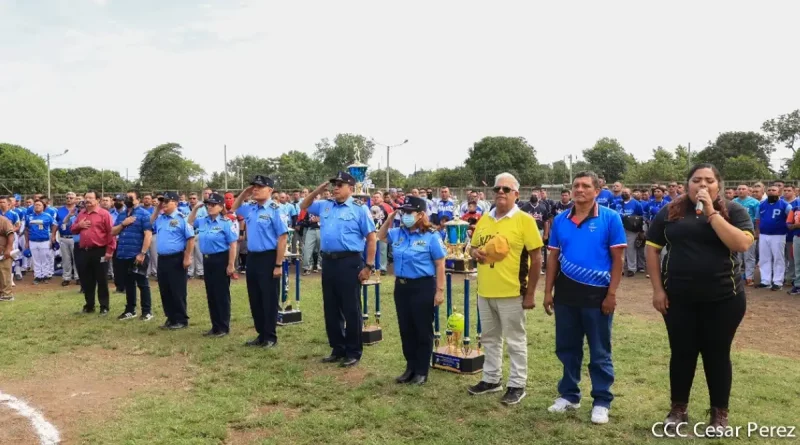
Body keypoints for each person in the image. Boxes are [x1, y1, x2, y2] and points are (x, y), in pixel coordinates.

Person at [645, 163, 753, 430]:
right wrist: (658, 290)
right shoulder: (670, 211)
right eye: (696, 180)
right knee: (682, 354)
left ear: (718, 185)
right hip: (678, 300)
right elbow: (652, 249)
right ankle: (678, 410)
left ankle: (719, 415)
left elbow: (741, 244)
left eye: (708, 181)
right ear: (687, 184)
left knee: (717, 354)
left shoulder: (734, 210)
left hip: (724, 299)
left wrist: (712, 213)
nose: (702, 185)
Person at [543, 171, 626, 425]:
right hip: (566, 295)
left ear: (597, 191)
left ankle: (601, 400)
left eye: (586, 186)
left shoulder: (611, 218)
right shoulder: (560, 220)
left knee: (600, 351)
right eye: (576, 185)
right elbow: (553, 257)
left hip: (597, 296)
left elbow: (618, 260)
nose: (580, 189)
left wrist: (611, 294)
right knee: (567, 347)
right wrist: (547, 292)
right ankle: (569, 395)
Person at [467, 173, 543, 406]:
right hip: (485, 290)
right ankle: (491, 379)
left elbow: (537, 257)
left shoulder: (524, 220)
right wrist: (474, 253)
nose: (500, 192)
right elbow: (473, 247)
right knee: (489, 338)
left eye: (506, 189)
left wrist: (529, 293)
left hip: (512, 291)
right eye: (497, 188)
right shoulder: (486, 219)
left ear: (516, 195)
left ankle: (517, 384)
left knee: (515, 340)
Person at [300, 171, 377, 368]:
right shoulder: (325, 205)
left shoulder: (359, 209)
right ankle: (337, 347)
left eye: (339, 185)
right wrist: (319, 189)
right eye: (334, 184)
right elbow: (303, 205)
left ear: (350, 188)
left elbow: (371, 238)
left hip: (349, 261)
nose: (335, 188)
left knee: (351, 308)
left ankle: (353, 351)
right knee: (331, 307)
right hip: (329, 261)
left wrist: (368, 265)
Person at [377, 196, 446, 385]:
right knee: (406, 329)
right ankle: (410, 367)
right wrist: (390, 217)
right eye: (403, 211)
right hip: (402, 287)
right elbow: (380, 236)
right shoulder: (398, 233)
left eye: (409, 212)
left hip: (422, 286)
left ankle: (422, 370)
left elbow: (440, 264)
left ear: (421, 214)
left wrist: (440, 291)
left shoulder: (431, 236)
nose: (405, 215)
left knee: (422, 329)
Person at [232, 176, 288, 348]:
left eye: (259, 187)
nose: (255, 189)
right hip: (253, 257)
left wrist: (278, 264)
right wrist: (245, 192)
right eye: (254, 187)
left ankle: (270, 336)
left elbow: (283, 237)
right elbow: (233, 208)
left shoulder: (275, 209)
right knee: (255, 297)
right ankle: (261, 334)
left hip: (269, 257)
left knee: (269, 298)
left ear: (270, 190)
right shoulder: (251, 208)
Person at [189, 193, 237, 337]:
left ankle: (223, 327)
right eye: (208, 204)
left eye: (213, 205)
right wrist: (196, 208)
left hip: (221, 259)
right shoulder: (203, 221)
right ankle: (215, 326)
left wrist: (230, 264)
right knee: (211, 294)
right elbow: (189, 222)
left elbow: (233, 244)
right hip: (207, 260)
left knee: (221, 294)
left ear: (221, 206)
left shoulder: (226, 223)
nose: (210, 207)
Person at [150, 192, 196, 330]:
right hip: (162, 258)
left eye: (167, 201)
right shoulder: (161, 218)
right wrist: (158, 208)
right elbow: (150, 223)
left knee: (177, 290)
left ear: (175, 203)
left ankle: (181, 319)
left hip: (176, 258)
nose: (164, 204)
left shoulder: (182, 218)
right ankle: (170, 318)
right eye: (163, 201)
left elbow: (190, 238)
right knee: (165, 289)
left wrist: (187, 257)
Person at [70, 191, 117, 315]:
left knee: (101, 279)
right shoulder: (81, 214)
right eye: (86, 198)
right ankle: (89, 305)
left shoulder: (104, 214)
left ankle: (104, 306)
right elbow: (73, 230)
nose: (88, 200)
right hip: (84, 251)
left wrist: (110, 250)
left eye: (90, 198)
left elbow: (110, 233)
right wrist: (79, 225)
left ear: (97, 200)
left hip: (99, 250)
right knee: (86, 280)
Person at [113, 191, 154, 321]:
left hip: (137, 254)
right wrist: (123, 224)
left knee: (142, 283)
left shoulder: (144, 214)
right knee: (128, 283)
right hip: (123, 254)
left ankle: (147, 311)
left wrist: (142, 253)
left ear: (138, 200)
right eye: (126, 197)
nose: (127, 199)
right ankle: (130, 310)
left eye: (130, 197)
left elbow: (148, 235)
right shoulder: (122, 215)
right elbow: (113, 232)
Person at [757, 185, 791, 290]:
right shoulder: (761, 204)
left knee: (778, 259)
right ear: (766, 192)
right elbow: (758, 219)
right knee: (764, 258)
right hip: (763, 235)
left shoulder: (785, 205)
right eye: (769, 190)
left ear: (779, 192)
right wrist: (757, 232)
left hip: (778, 235)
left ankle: (778, 282)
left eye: (774, 190)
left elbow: (790, 219)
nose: (771, 192)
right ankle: (765, 281)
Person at [732, 184, 759, 286]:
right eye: (739, 189)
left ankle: (749, 277)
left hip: (749, 232)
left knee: (749, 256)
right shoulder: (733, 203)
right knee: (736, 256)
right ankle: (736, 277)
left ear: (748, 191)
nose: (741, 190)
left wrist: (757, 231)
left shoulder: (755, 203)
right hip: (735, 232)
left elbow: (757, 219)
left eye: (743, 189)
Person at [614, 187, 645, 276]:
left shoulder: (636, 203)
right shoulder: (618, 203)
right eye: (623, 192)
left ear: (630, 193)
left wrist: (640, 230)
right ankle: (621, 269)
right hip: (619, 227)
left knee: (631, 248)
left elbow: (641, 217)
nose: (624, 194)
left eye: (626, 192)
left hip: (631, 228)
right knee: (620, 248)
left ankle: (632, 268)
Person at [25, 200, 57, 284]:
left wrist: (53, 236)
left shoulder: (48, 216)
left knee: (45, 259)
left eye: (39, 205)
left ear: (43, 207)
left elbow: (55, 225)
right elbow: (26, 229)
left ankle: (45, 276)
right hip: (33, 241)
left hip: (44, 241)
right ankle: (37, 276)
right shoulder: (29, 217)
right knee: (36, 260)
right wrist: (27, 242)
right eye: (35, 205)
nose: (37, 206)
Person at [56, 192, 80, 286]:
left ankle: (78, 277)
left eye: (71, 197)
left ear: (75, 199)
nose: (69, 199)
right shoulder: (60, 210)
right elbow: (56, 224)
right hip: (63, 237)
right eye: (67, 197)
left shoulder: (79, 210)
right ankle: (67, 277)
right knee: (66, 259)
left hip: (75, 237)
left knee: (77, 258)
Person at [0, 213, 15, 301]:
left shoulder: (3, 220)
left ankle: (7, 295)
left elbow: (11, 234)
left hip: (3, 252)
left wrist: (8, 249)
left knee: (4, 272)